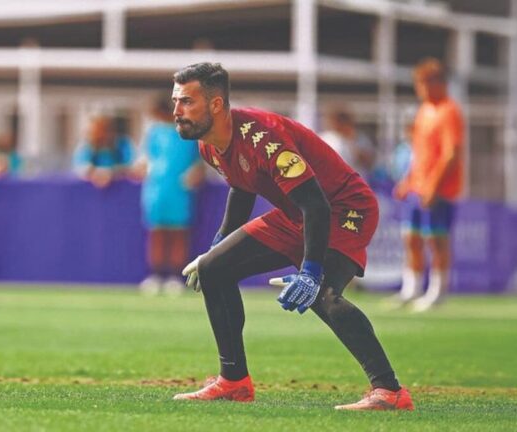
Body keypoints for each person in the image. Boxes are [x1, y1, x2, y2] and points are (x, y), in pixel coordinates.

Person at [171, 63, 413, 411]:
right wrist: (219, 245)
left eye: (186, 102)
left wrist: (311, 271)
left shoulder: (264, 136)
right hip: (296, 215)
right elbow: (241, 187)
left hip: (345, 209)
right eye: (175, 101)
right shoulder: (209, 145)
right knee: (213, 269)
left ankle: (390, 391)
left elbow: (316, 206)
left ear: (216, 105)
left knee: (323, 294)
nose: (177, 111)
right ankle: (234, 382)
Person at [393, 58, 465, 312]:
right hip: (417, 187)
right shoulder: (424, 111)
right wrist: (408, 179)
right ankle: (410, 289)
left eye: (423, 83)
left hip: (439, 191)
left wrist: (434, 185)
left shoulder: (449, 111)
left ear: (437, 83)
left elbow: (451, 153)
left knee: (436, 240)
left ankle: (437, 291)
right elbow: (418, 151)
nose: (420, 88)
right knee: (411, 237)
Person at [133, 96, 205, 296]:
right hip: (156, 191)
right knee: (157, 233)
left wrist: (194, 175)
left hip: (180, 191)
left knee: (178, 234)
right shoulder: (153, 133)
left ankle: (175, 277)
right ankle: (156, 276)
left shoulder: (188, 133)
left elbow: (199, 164)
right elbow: (144, 160)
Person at [72, 116, 134, 188]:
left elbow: (130, 166)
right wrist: (96, 172)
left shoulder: (122, 144)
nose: (101, 135)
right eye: (96, 132)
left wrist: (110, 172)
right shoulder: (87, 146)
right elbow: (81, 167)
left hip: (121, 189)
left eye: (103, 131)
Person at [319, 108, 376, 179]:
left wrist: (351, 141)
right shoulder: (325, 138)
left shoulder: (360, 138)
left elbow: (368, 162)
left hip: (354, 182)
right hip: (332, 182)